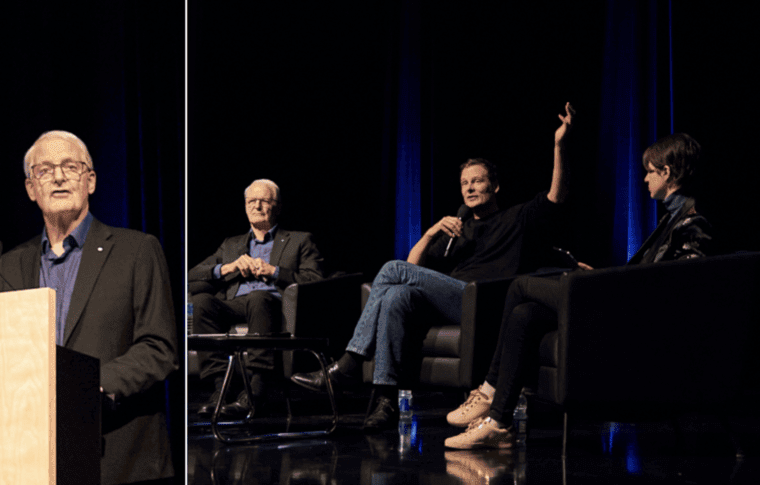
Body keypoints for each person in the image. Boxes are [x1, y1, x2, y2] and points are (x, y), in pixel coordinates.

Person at [291, 103, 575, 432]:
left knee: (391, 269)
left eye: (477, 181)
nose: (469, 188)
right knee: (395, 296)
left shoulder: (517, 217)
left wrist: (559, 144)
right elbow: (409, 271)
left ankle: (350, 362)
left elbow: (557, 196)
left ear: (495, 186)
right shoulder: (457, 231)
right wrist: (430, 234)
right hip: (451, 301)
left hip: (484, 302)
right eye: (464, 183)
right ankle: (385, 402)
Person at [445, 132, 710, 449]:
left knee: (520, 285)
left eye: (650, 171)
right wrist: (600, 277)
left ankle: (487, 391)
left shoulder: (692, 222)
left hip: (627, 314)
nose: (644, 178)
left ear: (667, 173)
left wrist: (607, 286)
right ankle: (499, 424)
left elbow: (679, 289)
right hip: (620, 301)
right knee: (525, 314)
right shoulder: (672, 218)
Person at [0, 130, 177, 485]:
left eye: (70, 167)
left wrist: (90, 384)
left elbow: (159, 346)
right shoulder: (12, 265)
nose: (58, 177)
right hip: (36, 469)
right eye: (45, 170)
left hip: (119, 463)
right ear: (31, 188)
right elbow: (0, 353)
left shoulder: (137, 250)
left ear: (90, 180)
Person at [188, 179, 323, 418]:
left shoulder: (300, 240)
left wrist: (275, 271)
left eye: (264, 201)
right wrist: (228, 267)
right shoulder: (231, 244)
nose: (257, 206)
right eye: (251, 201)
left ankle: (256, 392)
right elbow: (192, 277)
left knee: (259, 297)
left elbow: (315, 281)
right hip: (237, 304)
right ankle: (221, 390)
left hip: (275, 306)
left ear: (277, 206)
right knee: (202, 303)